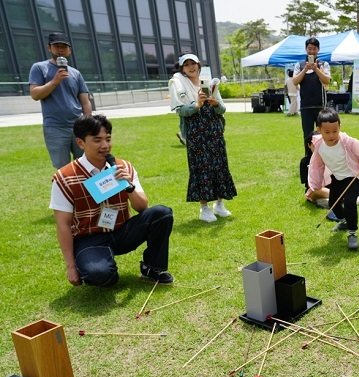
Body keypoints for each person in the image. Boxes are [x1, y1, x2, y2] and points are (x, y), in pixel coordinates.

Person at [50, 114, 173, 287]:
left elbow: (142, 207)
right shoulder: (64, 177)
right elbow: (63, 224)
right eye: (97, 140)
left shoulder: (124, 167)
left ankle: (152, 267)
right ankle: (98, 266)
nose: (105, 146)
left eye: (108, 139)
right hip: (90, 238)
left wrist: (128, 186)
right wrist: (70, 267)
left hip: (122, 231)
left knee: (162, 214)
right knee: (101, 277)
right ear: (80, 143)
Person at [169, 53, 237, 223]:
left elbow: (222, 110)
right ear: (182, 68)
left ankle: (220, 205)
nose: (191, 67)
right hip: (196, 133)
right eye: (187, 65)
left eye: (194, 63)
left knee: (220, 165)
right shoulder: (178, 84)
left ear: (199, 65)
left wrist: (215, 104)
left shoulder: (209, 83)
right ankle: (204, 208)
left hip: (214, 132)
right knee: (201, 168)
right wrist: (197, 105)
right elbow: (180, 110)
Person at [308, 108, 359, 251]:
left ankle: (352, 232)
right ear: (319, 130)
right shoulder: (319, 146)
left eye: (335, 131)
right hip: (337, 177)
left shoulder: (349, 142)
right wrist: (315, 184)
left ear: (339, 127)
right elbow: (317, 166)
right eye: (327, 132)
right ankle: (343, 221)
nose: (332, 135)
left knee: (349, 203)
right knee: (333, 203)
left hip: (353, 177)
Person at [29, 32, 92, 169]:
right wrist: (54, 82)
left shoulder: (75, 73)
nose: (60, 49)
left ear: (69, 50)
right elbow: (35, 94)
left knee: (85, 165)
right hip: (55, 128)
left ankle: (85, 191)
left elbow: (85, 101)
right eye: (56, 46)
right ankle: (66, 190)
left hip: (78, 126)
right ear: (49, 48)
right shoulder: (39, 68)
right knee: (62, 168)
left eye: (64, 46)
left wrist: (88, 124)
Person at [293, 37, 331, 157]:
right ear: (306, 49)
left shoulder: (323, 64)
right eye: (309, 48)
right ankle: (309, 159)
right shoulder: (299, 65)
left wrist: (316, 69)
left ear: (318, 50)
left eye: (314, 49)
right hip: (306, 107)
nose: (312, 51)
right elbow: (295, 81)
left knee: (323, 133)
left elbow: (326, 80)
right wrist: (305, 69)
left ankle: (324, 157)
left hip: (320, 106)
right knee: (308, 135)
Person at [300, 130, 330, 208]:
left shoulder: (330, 158)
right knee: (315, 191)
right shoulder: (304, 162)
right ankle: (339, 199)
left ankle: (330, 201)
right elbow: (310, 185)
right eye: (315, 145)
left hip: (331, 188)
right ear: (309, 145)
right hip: (315, 190)